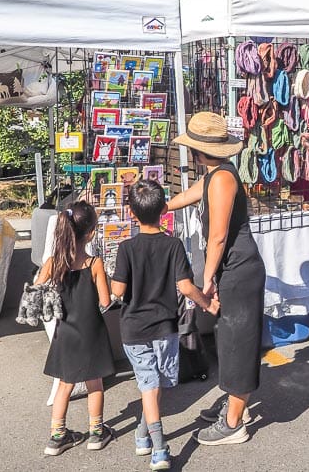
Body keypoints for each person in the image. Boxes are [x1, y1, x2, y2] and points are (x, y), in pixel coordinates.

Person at [168, 112, 266, 446]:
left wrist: (207, 279)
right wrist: (152, 207)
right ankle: (235, 403)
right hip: (232, 268)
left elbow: (219, 237)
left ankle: (235, 422)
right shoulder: (214, 173)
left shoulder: (223, 178)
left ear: (200, 151)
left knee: (238, 341)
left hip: (238, 268)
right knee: (228, 338)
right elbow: (187, 197)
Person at [110, 180, 219, 471]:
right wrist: (207, 303)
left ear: (132, 213)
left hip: (134, 329)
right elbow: (185, 287)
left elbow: (118, 291)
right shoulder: (173, 245)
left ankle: (143, 434)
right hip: (165, 328)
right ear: (163, 210)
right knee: (154, 384)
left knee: (151, 385)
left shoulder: (126, 248)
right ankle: (159, 449)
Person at [34, 201, 115, 456]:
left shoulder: (53, 263)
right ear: (91, 232)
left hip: (65, 332)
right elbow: (105, 301)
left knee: (64, 386)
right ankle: (97, 432)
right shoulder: (95, 264)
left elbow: (37, 286)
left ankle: (57, 437)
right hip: (91, 332)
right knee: (95, 384)